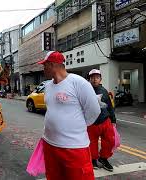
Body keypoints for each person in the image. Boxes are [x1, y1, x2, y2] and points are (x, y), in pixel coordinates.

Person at [38, 51, 101, 180]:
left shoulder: (78, 82)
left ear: (53, 65)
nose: (43, 69)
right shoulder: (48, 86)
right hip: (50, 144)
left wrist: (77, 127)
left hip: (74, 147)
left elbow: (94, 111)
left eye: (45, 66)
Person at [88, 69, 116, 171]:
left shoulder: (104, 91)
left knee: (110, 140)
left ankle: (103, 158)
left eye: (97, 77)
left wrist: (113, 120)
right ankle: (93, 159)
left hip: (105, 120)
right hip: (91, 122)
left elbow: (110, 106)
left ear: (100, 79)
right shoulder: (85, 90)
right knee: (92, 142)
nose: (95, 80)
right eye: (92, 78)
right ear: (89, 79)